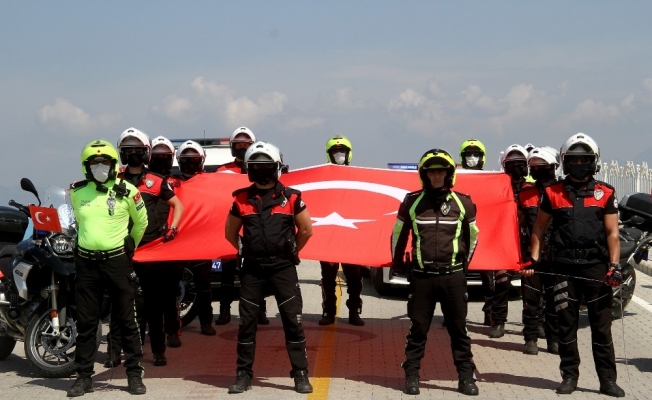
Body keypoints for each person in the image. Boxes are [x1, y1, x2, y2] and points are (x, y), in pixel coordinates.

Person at [522, 133, 624, 397]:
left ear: (594, 161)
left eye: (584, 159)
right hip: (563, 268)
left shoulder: (605, 193)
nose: (579, 164)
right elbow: (539, 228)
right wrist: (534, 259)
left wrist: (614, 266)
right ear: (565, 161)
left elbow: (612, 233)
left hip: (596, 268)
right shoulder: (552, 193)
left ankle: (607, 381)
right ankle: (569, 376)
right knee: (565, 326)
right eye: (574, 159)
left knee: (601, 327)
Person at [226, 141, 314, 394]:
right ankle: (243, 375)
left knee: (293, 321)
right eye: (256, 166)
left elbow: (306, 230)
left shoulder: (292, 197)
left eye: (266, 165)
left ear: (277, 167)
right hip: (252, 269)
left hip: (282, 268)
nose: (262, 170)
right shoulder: (240, 199)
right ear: (249, 169)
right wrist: (245, 249)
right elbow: (230, 233)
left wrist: (291, 251)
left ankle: (300, 374)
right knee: (246, 324)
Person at [392, 148, 479, 396]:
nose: (437, 175)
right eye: (432, 171)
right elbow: (398, 235)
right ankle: (411, 376)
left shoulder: (464, 203)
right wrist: (397, 262)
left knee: (459, 330)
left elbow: (472, 237)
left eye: (441, 171)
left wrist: (463, 267)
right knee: (418, 329)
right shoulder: (411, 202)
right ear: (424, 175)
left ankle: (466, 377)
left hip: (453, 277)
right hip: (422, 277)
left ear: (449, 174)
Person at [67, 139, 147, 397]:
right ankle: (83, 377)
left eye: (105, 163)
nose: (100, 167)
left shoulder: (128, 191)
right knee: (87, 322)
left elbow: (141, 222)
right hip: (86, 263)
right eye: (94, 163)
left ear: (114, 165)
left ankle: (134, 374)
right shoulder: (77, 192)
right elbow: (78, 222)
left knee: (127, 319)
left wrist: (130, 245)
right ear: (86, 167)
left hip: (117, 262)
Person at [115, 128, 185, 367]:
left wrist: (172, 229)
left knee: (153, 304)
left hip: (151, 249)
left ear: (146, 152)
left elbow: (178, 205)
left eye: (137, 149)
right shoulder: (115, 180)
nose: (132, 154)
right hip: (123, 248)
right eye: (127, 150)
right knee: (122, 302)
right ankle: (116, 352)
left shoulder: (156, 181)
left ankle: (158, 351)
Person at [214, 127, 270, 326]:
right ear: (232, 147)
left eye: (246, 145)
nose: (242, 148)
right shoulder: (222, 170)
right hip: (231, 224)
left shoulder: (261, 167)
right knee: (227, 272)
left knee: (258, 270)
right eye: (238, 145)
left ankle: (260, 310)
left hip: (254, 226)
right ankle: (224, 311)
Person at [171, 140, 217, 336]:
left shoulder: (211, 182)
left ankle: (206, 322)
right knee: (173, 286)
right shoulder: (172, 183)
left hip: (201, 242)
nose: (190, 163)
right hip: (178, 242)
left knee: (204, 286)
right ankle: (173, 326)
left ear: (201, 160)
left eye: (194, 160)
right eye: (186, 160)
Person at [517, 146, 560, 355]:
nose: (536, 170)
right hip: (530, 256)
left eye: (541, 166)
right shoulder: (525, 194)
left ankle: (554, 339)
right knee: (531, 300)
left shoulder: (562, 192)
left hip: (557, 256)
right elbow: (515, 223)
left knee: (555, 299)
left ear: (553, 167)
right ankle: (530, 338)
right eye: (533, 167)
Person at [318, 135, 364, 326]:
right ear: (329, 154)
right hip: (329, 236)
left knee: (354, 278)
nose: (339, 154)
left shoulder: (357, 177)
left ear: (348, 153)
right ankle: (328, 311)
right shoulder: (322, 177)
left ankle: (354, 311)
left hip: (350, 236)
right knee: (328, 278)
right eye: (335, 151)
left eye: (342, 151)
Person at [487, 144, 530, 339]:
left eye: (520, 164)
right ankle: (498, 322)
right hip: (504, 243)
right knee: (501, 284)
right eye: (511, 164)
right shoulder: (498, 188)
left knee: (530, 287)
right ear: (504, 166)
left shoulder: (532, 189)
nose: (516, 168)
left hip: (527, 243)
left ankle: (533, 325)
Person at [459, 139, 492, 326]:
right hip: (461, 236)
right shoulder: (456, 179)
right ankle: (457, 315)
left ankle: (490, 314)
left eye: (476, 154)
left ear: (482, 157)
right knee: (458, 278)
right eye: (468, 155)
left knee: (489, 279)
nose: (472, 158)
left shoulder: (492, 179)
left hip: (486, 236)